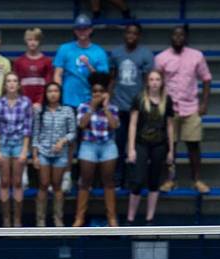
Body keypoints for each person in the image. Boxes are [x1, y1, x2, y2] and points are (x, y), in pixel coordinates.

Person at [155, 26, 211, 195]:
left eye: (181, 35)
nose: (178, 37)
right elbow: (156, 82)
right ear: (170, 37)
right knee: (169, 146)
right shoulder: (161, 58)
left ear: (186, 37)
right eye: (175, 34)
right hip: (169, 109)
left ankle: (197, 180)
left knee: (193, 145)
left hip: (191, 107)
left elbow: (207, 79)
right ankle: (170, 180)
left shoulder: (197, 56)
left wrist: (204, 104)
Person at [126, 70, 174, 226]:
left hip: (159, 144)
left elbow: (170, 126)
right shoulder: (139, 99)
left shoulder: (167, 101)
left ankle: (150, 218)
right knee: (138, 180)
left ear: (161, 82)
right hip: (141, 143)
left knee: (154, 181)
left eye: (157, 79)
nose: (154, 82)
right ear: (147, 82)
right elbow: (132, 124)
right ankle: (130, 218)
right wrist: (131, 148)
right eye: (151, 79)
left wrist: (171, 150)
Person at [109, 23, 152, 188]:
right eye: (128, 32)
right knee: (119, 144)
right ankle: (118, 179)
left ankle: (135, 179)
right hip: (119, 106)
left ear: (139, 36)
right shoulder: (116, 53)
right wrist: (108, 97)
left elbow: (149, 81)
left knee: (138, 147)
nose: (131, 36)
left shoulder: (145, 54)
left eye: (134, 33)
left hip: (138, 108)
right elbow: (112, 78)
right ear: (124, 34)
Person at [73, 71, 119, 227]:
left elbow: (114, 125)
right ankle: (79, 217)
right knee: (85, 182)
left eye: (101, 91)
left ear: (105, 92)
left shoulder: (112, 107)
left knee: (109, 182)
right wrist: (92, 107)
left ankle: (112, 218)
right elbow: (81, 125)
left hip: (107, 146)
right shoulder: (83, 106)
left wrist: (105, 108)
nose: (98, 94)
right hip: (88, 145)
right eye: (95, 91)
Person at [32, 82, 75, 228]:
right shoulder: (40, 111)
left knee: (57, 186)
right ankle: (40, 220)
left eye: (56, 90)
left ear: (60, 93)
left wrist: (63, 141)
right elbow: (35, 133)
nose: (53, 94)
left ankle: (58, 218)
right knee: (43, 184)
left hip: (60, 153)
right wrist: (35, 155)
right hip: (43, 152)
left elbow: (73, 133)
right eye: (50, 91)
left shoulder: (67, 111)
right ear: (46, 94)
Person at [0, 73, 32, 227]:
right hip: (2, 144)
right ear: (4, 85)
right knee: (4, 182)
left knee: (17, 182)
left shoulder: (25, 102)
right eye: (8, 81)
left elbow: (28, 129)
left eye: (15, 81)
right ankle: (6, 220)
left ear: (19, 85)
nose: (11, 84)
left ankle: (17, 220)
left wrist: (24, 151)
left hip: (18, 145)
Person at [53, 14, 109, 110]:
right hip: (67, 100)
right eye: (79, 29)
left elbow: (101, 80)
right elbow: (58, 74)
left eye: (85, 29)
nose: (82, 31)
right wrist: (59, 96)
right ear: (75, 31)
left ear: (91, 30)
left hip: (90, 100)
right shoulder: (64, 49)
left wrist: (88, 65)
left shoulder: (99, 52)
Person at [14, 28, 53, 108]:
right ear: (25, 41)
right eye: (30, 40)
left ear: (40, 41)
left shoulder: (47, 61)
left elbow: (48, 84)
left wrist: (41, 102)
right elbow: (16, 85)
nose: (32, 43)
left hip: (41, 104)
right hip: (23, 103)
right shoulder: (19, 61)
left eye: (35, 40)